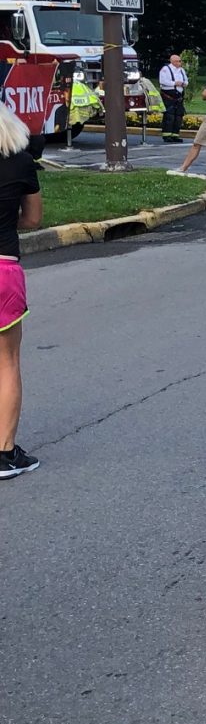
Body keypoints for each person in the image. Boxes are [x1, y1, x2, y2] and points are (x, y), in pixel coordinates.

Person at [0, 101, 42, 478]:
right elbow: (33, 218)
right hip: (4, 268)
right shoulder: (21, 162)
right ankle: (5, 453)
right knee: (7, 362)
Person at [158, 52, 188, 143]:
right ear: (173, 61)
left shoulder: (181, 70)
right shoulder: (165, 69)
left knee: (178, 116)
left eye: (180, 61)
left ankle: (175, 135)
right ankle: (167, 135)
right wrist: (175, 83)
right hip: (168, 96)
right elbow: (163, 81)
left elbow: (186, 81)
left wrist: (183, 84)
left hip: (179, 96)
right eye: (178, 61)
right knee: (169, 116)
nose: (180, 63)